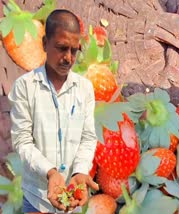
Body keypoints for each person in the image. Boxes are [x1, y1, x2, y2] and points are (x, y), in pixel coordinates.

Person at [8, 9, 99, 213]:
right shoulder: (25, 87)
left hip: (72, 197)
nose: (68, 57)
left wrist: (80, 171)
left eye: (74, 50)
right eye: (61, 48)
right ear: (44, 44)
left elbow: (88, 137)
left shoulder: (84, 89)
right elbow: (22, 141)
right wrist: (50, 172)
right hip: (36, 199)